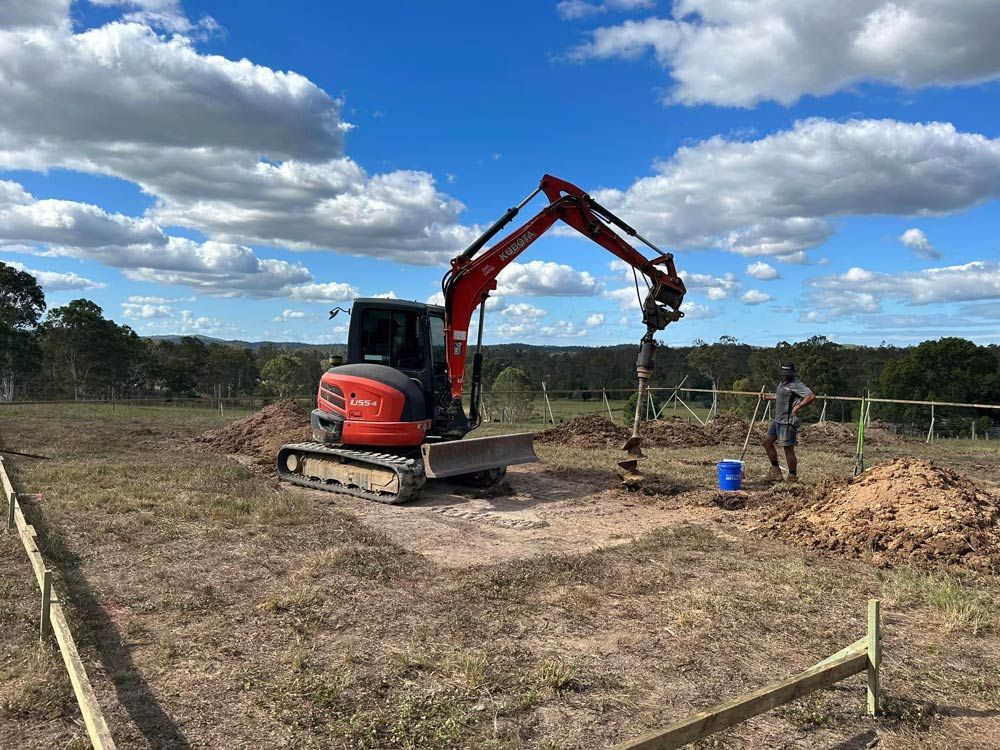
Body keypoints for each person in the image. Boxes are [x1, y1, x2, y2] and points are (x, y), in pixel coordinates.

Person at [762, 363, 815, 482]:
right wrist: (767, 397)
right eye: (784, 373)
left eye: (788, 373)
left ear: (792, 373)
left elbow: (810, 396)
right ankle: (775, 472)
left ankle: (792, 476)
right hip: (777, 420)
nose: (786, 375)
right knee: (766, 442)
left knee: (787, 448)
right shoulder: (783, 383)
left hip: (787, 421)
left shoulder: (796, 384)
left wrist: (798, 407)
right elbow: (781, 396)